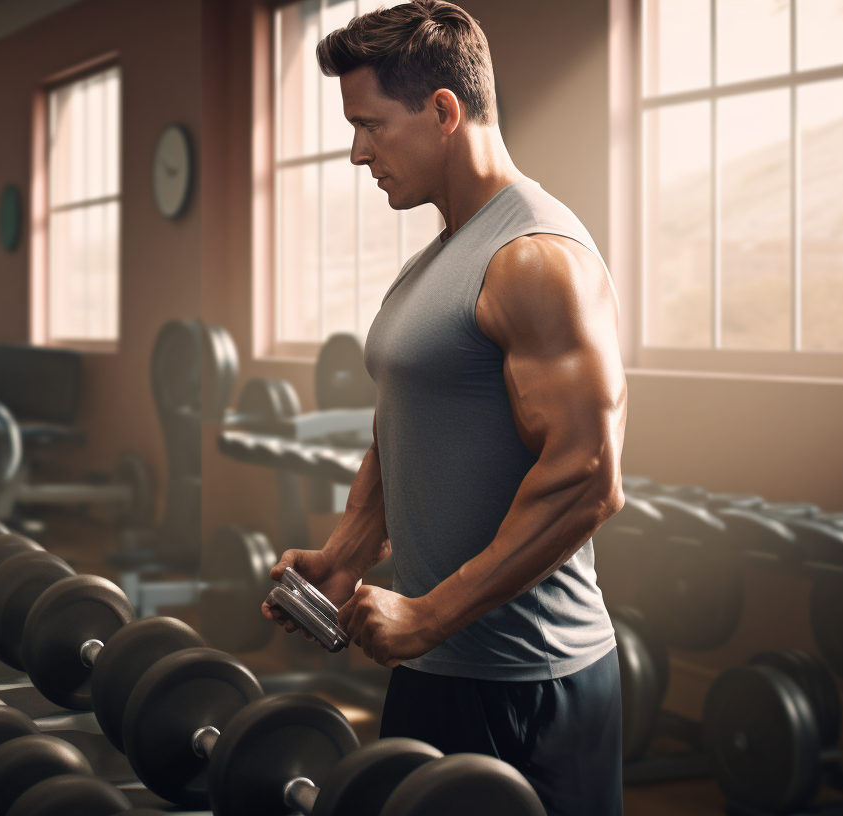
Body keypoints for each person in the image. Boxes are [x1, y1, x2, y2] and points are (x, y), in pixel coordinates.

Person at [261, 3, 626, 814]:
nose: (359, 152)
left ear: (443, 110)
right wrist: (347, 550)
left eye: (371, 126)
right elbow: (409, 419)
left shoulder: (533, 258)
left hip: (526, 682)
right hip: (438, 669)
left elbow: (588, 476)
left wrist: (430, 615)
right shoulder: (438, 258)